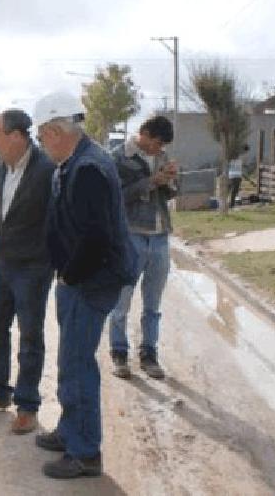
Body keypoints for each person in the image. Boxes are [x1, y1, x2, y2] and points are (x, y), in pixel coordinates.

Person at [33, 91, 138, 479]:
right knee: (70, 360)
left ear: (57, 131)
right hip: (80, 278)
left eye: (43, 137)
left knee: (78, 364)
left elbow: (96, 237)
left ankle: (85, 452)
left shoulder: (88, 168)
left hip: (90, 281)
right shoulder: (77, 160)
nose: (41, 145)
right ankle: (71, 430)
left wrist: (71, 275)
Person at [0, 109, 55, 435]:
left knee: (30, 336)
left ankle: (28, 406)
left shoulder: (46, 170)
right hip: (2, 264)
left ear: (17, 137)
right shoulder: (3, 166)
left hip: (32, 267)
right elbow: (3, 211)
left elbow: (54, 220)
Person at [107, 116, 178, 380]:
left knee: (153, 303)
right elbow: (115, 197)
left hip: (160, 236)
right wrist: (151, 182)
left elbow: (171, 193)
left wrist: (170, 180)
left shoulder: (162, 156)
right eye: (157, 143)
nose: (159, 149)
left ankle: (149, 354)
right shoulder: (117, 158)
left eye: (162, 146)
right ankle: (119, 353)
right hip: (131, 235)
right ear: (145, 134)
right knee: (121, 302)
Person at [228, 144, 248, 208]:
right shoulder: (241, 159)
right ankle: (231, 204)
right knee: (234, 191)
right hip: (236, 176)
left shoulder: (231, 159)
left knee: (232, 190)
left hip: (231, 176)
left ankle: (231, 203)